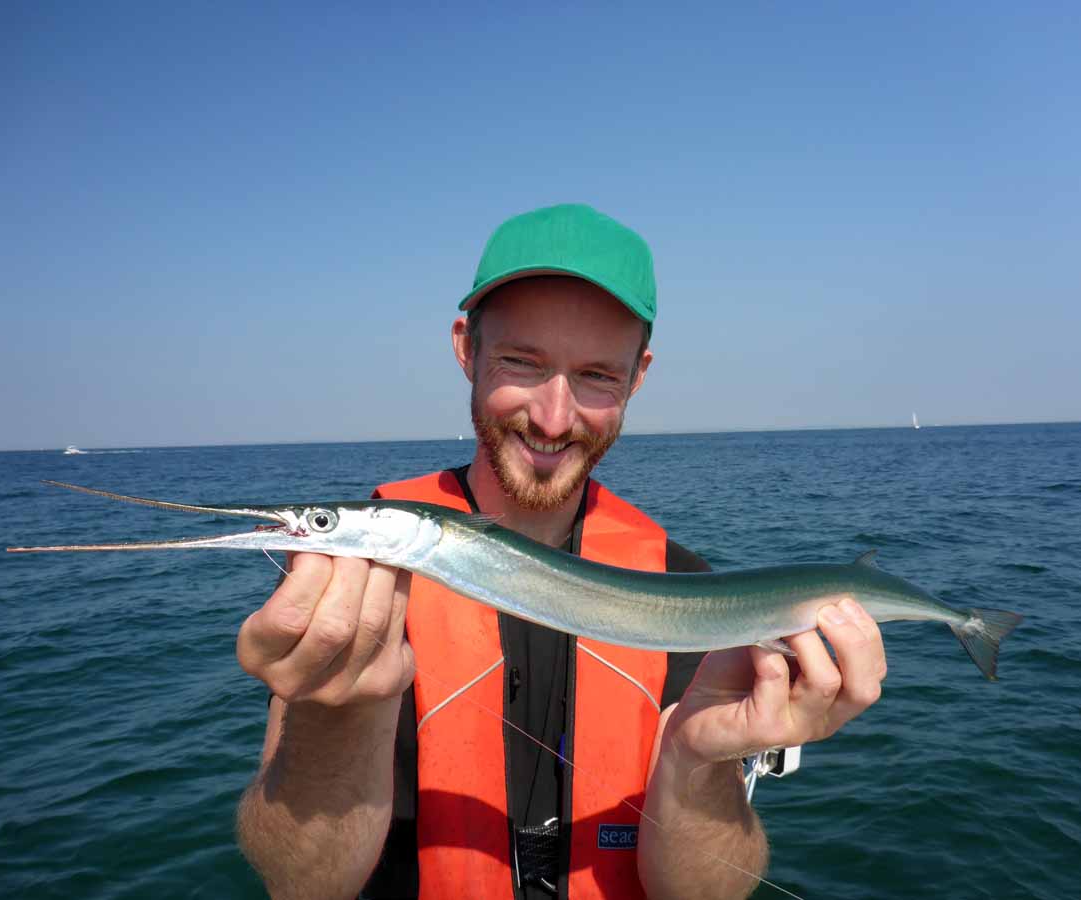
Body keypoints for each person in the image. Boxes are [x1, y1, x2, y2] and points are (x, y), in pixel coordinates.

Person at [235, 204, 887, 899]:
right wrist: (335, 717)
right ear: (466, 348)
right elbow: (300, 883)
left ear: (638, 376)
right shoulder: (352, 584)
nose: (552, 417)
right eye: (522, 361)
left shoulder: (689, 590)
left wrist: (700, 760)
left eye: (597, 375)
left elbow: (699, 894)